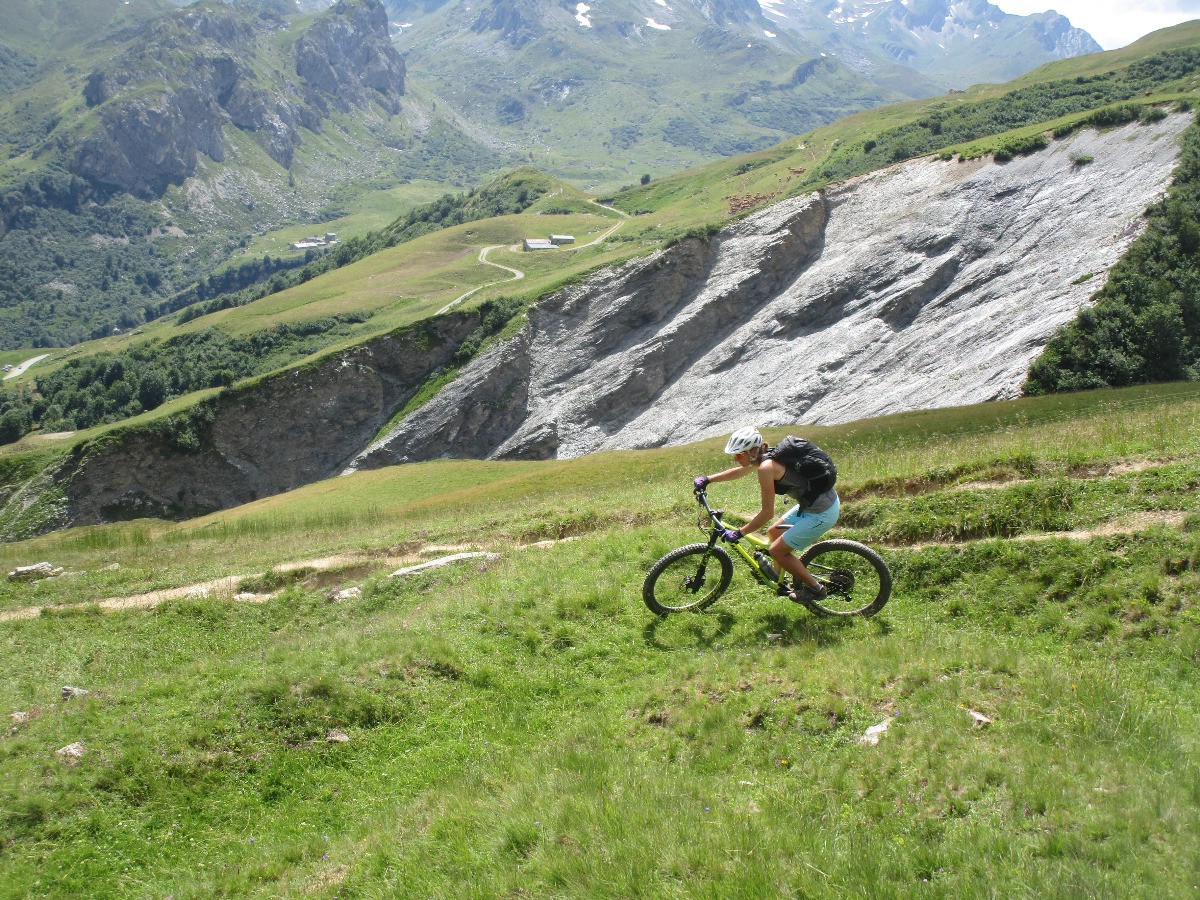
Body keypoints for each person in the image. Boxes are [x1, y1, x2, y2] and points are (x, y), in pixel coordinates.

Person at [692, 426, 839, 603]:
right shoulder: (764, 457)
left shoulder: (766, 468)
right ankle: (777, 576)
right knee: (774, 532)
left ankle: (816, 589)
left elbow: (767, 513)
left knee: (777, 551)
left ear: (753, 451)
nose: (734, 459)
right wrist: (708, 479)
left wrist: (740, 533)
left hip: (822, 513)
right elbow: (740, 471)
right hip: (814, 504)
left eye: (738, 455)